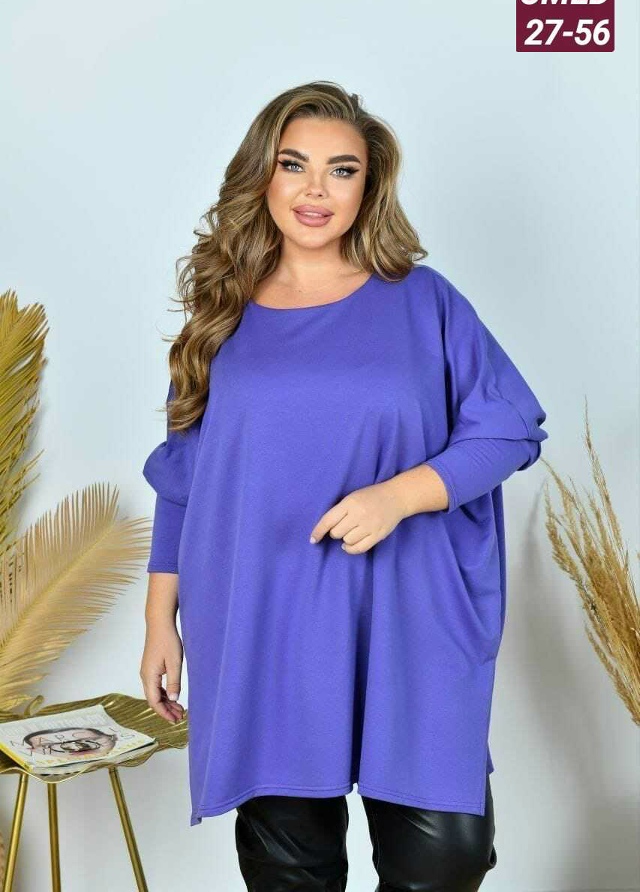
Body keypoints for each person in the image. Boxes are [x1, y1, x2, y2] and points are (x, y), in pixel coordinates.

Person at [139, 80, 548, 891]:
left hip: (410, 609)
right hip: (265, 614)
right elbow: (184, 480)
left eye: (342, 170)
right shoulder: (221, 316)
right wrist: (160, 622)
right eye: (294, 164)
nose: (316, 190)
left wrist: (400, 495)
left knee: (447, 856)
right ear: (263, 174)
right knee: (291, 866)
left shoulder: (423, 301)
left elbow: (509, 426)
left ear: (370, 185)